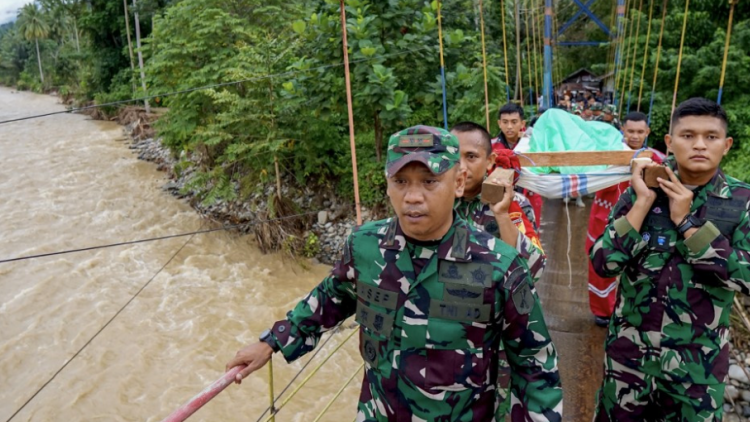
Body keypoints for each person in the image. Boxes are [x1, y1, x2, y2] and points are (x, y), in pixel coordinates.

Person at [227, 125, 563, 422]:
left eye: (430, 182)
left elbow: (534, 362)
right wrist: (271, 342)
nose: (413, 197)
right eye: (401, 181)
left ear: (458, 182)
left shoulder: (498, 263)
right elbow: (331, 298)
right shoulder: (365, 246)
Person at [590, 98, 750, 421]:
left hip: (696, 371)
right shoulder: (640, 191)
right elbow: (603, 263)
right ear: (669, 142)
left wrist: (688, 224)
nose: (700, 145)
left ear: (727, 145)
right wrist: (643, 202)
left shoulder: (741, 202)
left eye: (711, 137)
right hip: (629, 363)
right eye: (688, 136)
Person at [586, 111, 665, 327]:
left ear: (647, 132)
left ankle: (636, 309)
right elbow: (591, 174)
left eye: (640, 131)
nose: (635, 136)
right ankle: (602, 311)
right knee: (601, 259)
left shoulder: (655, 159)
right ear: (623, 130)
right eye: (630, 131)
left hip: (640, 220)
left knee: (640, 264)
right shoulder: (608, 153)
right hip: (603, 214)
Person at [494, 103, 544, 224]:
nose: (509, 126)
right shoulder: (491, 147)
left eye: (514, 122)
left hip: (529, 194)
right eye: (505, 122)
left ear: (522, 124)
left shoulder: (533, 146)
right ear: (499, 123)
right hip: (500, 199)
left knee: (530, 233)